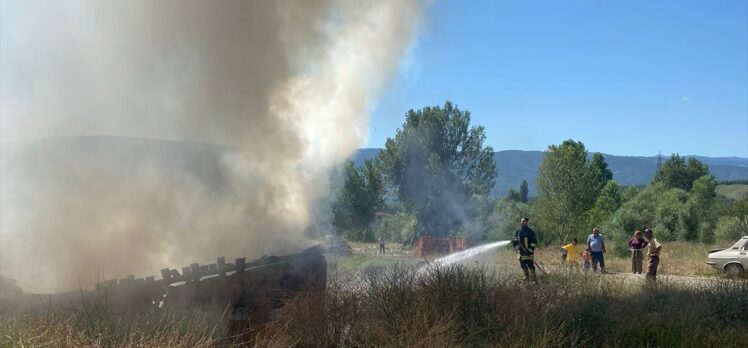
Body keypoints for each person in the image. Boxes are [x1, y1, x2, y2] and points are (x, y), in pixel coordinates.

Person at [512, 217, 538, 281]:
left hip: (528, 253)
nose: (522, 222)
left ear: (527, 222)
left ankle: (534, 278)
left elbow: (534, 242)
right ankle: (527, 277)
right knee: (523, 265)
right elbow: (515, 240)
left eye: (523, 221)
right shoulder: (518, 231)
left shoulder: (530, 232)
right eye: (521, 221)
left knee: (531, 266)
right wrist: (514, 242)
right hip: (520, 252)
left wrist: (530, 250)